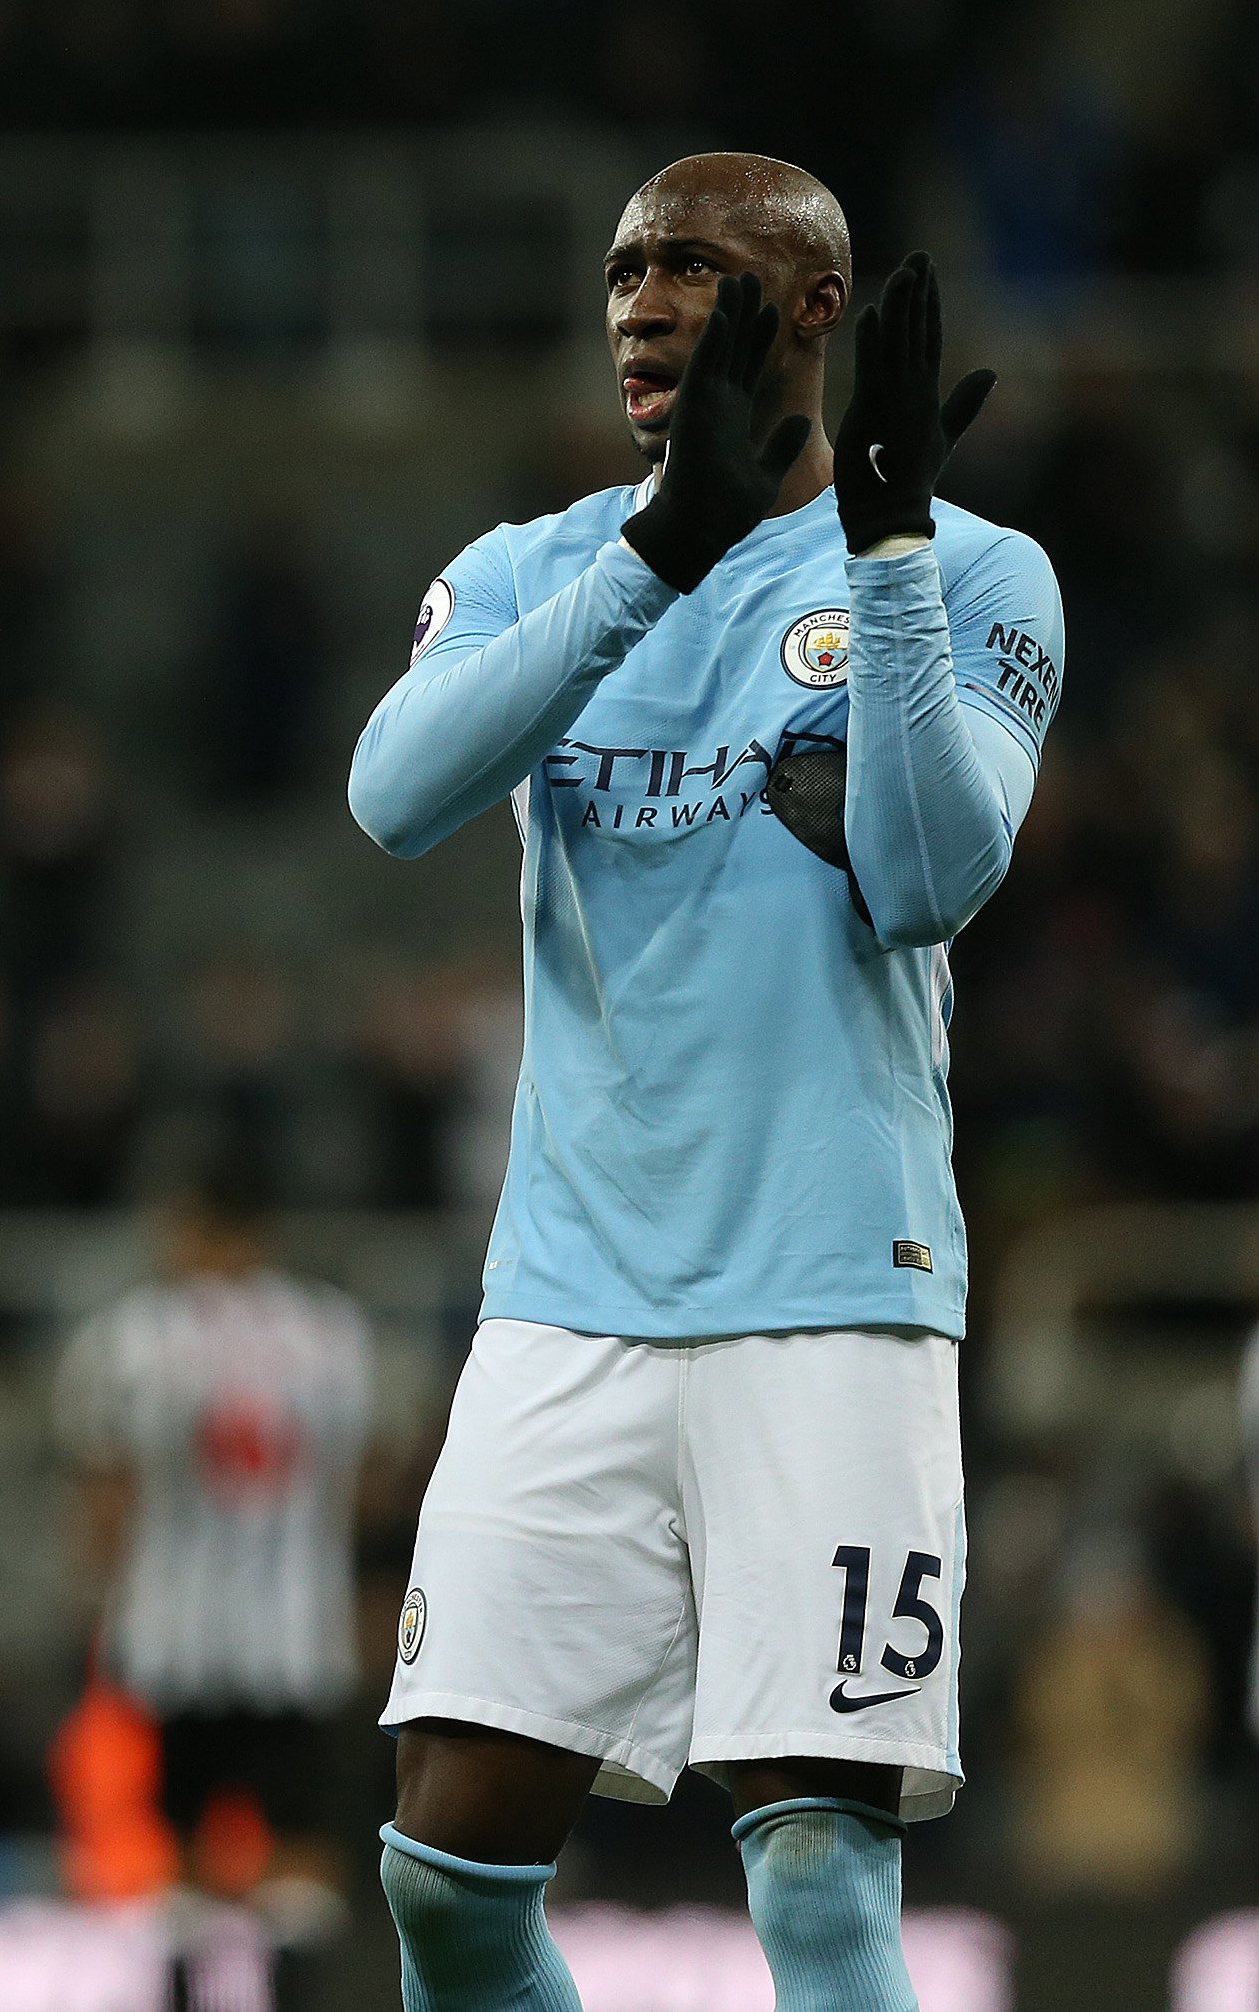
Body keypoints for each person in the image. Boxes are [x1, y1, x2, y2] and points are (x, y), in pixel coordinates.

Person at [348, 157, 1065, 2012]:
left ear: (812, 307)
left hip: (831, 1297)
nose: (642, 297)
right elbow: (394, 792)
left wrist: (889, 561)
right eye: (623, 266)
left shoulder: (981, 571)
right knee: (443, 1879)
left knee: (820, 1881)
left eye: (694, 265)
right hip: (566, 1301)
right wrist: (663, 550)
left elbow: (925, 872)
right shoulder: (534, 563)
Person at [52, 1166, 371, 1988]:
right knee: (299, 1848)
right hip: (298, 1634)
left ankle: (192, 1995)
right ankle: (304, 1995)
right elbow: (364, 1487)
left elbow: (106, 1489)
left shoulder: (132, 1336)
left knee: (183, 1850)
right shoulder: (331, 1335)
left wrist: (98, 1596)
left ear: (196, 1227)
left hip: (172, 1634)